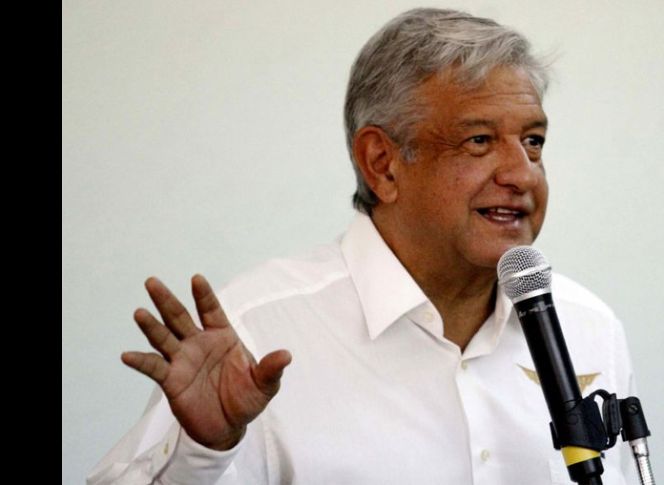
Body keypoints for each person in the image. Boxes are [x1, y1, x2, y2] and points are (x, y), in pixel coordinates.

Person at [88, 8, 636, 485]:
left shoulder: (590, 326)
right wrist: (201, 453)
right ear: (383, 163)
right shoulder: (254, 334)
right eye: (479, 141)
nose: (522, 173)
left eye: (533, 142)